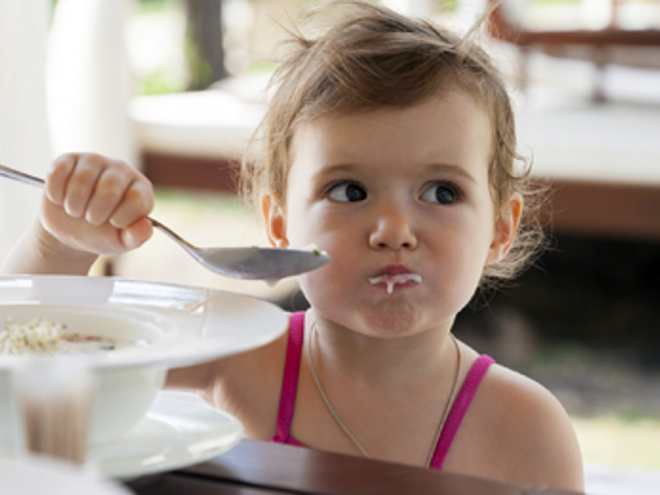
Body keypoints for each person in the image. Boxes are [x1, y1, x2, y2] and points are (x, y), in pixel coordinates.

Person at [1, 1, 584, 491]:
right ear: (279, 224)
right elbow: (31, 361)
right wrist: (60, 246)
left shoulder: (524, 430)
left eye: (441, 191)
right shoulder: (241, 357)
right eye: (349, 190)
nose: (393, 230)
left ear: (499, 229)